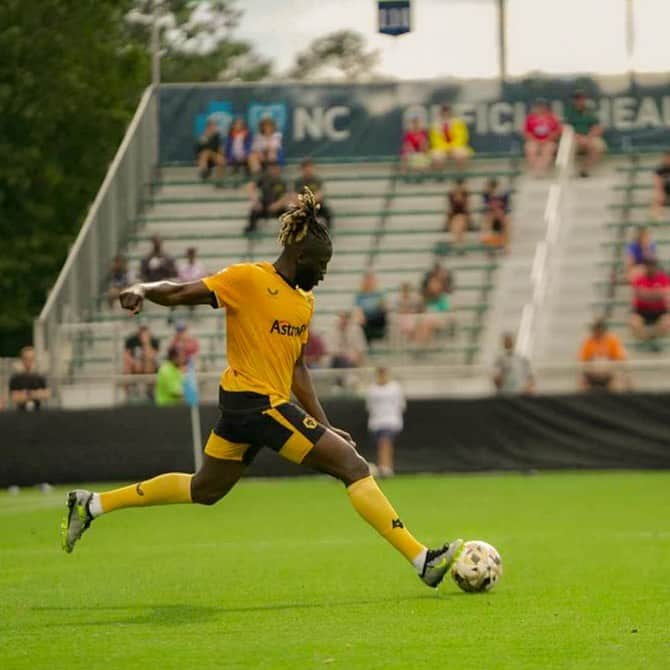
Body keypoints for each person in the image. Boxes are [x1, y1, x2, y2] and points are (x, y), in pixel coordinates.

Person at [61, 187, 463, 592]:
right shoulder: (249, 279)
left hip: (253, 407)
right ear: (301, 255)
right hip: (256, 403)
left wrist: (326, 427)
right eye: (321, 265)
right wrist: (144, 289)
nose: (323, 275)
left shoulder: (304, 302)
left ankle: (92, 505)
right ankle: (421, 560)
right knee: (354, 467)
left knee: (205, 489)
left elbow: (298, 369)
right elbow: (182, 292)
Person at [366, 367, 405, 478]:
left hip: (391, 421)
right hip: (376, 422)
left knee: (385, 443)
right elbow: (370, 406)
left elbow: (400, 405)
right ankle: (383, 467)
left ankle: (386, 468)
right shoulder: (372, 389)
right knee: (381, 445)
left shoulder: (395, 387)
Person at [564, 90, 606, 178]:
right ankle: (567, 172)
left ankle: (584, 170)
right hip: (574, 138)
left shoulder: (590, 112)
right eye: (577, 99)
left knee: (599, 146)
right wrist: (578, 137)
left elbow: (597, 127)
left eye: (581, 99)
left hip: (589, 137)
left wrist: (588, 137)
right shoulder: (569, 112)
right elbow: (565, 128)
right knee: (566, 145)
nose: (579, 101)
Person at [630, 258, 670, 349]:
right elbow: (640, 294)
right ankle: (647, 338)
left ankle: (651, 336)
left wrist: (647, 294)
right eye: (648, 266)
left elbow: (665, 293)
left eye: (652, 266)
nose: (651, 269)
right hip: (641, 311)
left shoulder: (663, 278)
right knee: (634, 323)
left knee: (667, 323)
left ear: (656, 267)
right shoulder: (639, 279)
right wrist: (656, 293)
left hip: (660, 311)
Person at [578, 319, 628, 392]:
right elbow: (583, 361)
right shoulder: (588, 342)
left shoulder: (612, 341)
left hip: (608, 374)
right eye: (596, 329)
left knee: (619, 382)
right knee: (582, 383)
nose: (598, 332)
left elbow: (619, 359)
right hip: (592, 375)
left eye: (600, 329)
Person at [245, 162, 290, 235]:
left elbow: (287, 196)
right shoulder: (263, 179)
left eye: (276, 168)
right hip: (264, 204)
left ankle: (287, 232)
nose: (274, 170)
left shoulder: (282, 181)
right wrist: (256, 201)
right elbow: (249, 186)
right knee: (254, 210)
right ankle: (251, 230)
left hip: (278, 206)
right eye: (272, 168)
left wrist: (277, 205)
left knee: (289, 212)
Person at [524, 99, 561, 177]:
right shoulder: (530, 118)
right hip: (534, 141)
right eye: (538, 106)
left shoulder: (552, 117)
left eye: (542, 106)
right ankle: (536, 171)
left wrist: (546, 140)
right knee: (530, 148)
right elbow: (526, 132)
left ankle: (540, 171)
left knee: (549, 149)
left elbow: (557, 131)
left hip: (548, 141)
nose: (540, 108)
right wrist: (536, 140)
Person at [429, 104, 473, 169]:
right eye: (444, 113)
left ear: (451, 113)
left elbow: (463, 137)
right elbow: (434, 140)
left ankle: (460, 177)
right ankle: (440, 177)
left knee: (461, 155)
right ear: (440, 114)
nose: (446, 115)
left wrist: (452, 147)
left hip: (456, 146)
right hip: (441, 148)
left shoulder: (458, 123)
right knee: (436, 157)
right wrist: (446, 148)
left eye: (447, 113)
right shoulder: (435, 125)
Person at [293, 159, 333, 229]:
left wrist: (310, 203)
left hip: (316, 205)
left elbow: (320, 194)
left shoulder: (317, 180)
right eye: (306, 168)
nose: (308, 170)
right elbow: (295, 196)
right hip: (302, 206)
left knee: (328, 214)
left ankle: (326, 234)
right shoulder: (298, 182)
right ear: (302, 169)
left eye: (310, 167)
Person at [8, 346, 50, 411]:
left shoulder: (40, 377)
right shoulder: (15, 378)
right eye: (26, 358)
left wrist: (27, 394)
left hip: (38, 412)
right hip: (20, 413)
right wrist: (36, 394)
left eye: (31, 358)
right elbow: (14, 397)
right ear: (22, 359)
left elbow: (46, 394)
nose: (29, 361)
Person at [414, 275, 451, 345]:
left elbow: (446, 311)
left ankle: (420, 344)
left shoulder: (442, 297)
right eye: (432, 284)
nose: (433, 286)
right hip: (426, 320)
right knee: (422, 323)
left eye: (435, 284)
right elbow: (421, 310)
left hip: (440, 320)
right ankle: (420, 343)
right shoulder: (425, 297)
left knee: (427, 322)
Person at [354, 271, 387, 343]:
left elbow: (383, 307)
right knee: (359, 321)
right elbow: (357, 308)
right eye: (367, 280)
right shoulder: (360, 295)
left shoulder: (379, 293)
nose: (368, 282)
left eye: (370, 280)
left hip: (377, 317)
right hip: (365, 319)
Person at [481, 178, 511, 252]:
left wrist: (499, 213)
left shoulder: (504, 196)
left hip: (501, 216)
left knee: (507, 220)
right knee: (488, 217)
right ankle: (489, 243)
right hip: (492, 217)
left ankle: (505, 245)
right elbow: (486, 208)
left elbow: (507, 209)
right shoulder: (486, 195)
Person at [446, 178, 470, 249]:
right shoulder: (451, 194)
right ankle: (459, 243)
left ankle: (458, 243)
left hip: (463, 215)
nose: (459, 187)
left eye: (460, 186)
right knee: (456, 221)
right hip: (454, 216)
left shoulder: (465, 194)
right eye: (458, 186)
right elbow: (450, 209)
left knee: (460, 219)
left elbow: (467, 209)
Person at [651, 150, 670, 221]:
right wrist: (661, 193)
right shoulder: (660, 169)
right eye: (667, 158)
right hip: (664, 191)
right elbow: (657, 184)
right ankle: (656, 218)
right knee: (657, 198)